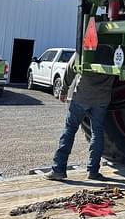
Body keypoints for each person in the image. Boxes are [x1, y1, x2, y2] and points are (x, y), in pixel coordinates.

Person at [45, 52, 115, 180]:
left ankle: (58, 169)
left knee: (69, 130)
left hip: (82, 97)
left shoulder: (87, 47)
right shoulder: (115, 51)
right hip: (102, 99)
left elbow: (71, 67)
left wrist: (64, 89)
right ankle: (93, 171)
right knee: (97, 133)